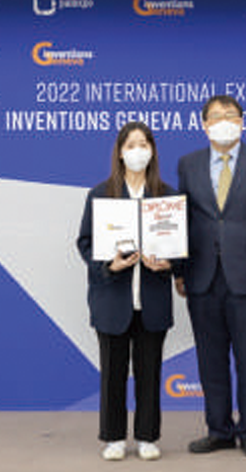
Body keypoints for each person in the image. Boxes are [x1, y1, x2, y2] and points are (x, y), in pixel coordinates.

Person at [176, 95, 246, 457]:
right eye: (215, 116)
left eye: (230, 115)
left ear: (241, 121)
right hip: (201, 276)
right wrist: (179, 270)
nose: (223, 121)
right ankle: (219, 430)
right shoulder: (188, 164)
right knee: (210, 360)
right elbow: (181, 223)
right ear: (204, 125)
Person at [77, 121, 176, 461]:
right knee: (112, 373)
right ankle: (114, 437)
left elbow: (181, 248)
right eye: (131, 145)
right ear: (120, 152)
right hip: (112, 299)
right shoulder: (100, 194)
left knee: (150, 373)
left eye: (144, 144)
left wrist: (168, 264)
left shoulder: (167, 196)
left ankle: (147, 436)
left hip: (152, 300)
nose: (138, 151)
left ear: (153, 151)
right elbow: (85, 242)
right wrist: (109, 266)